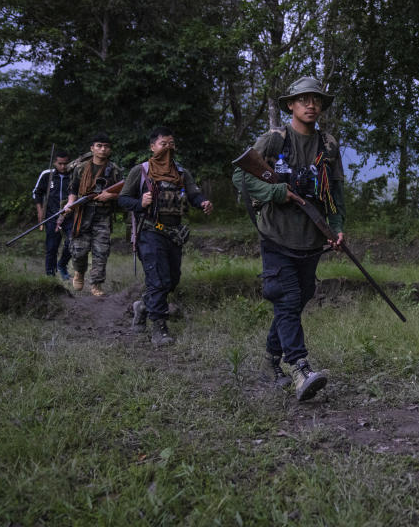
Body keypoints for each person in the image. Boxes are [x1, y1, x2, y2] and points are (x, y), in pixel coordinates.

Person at [233, 76, 345, 401]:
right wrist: (274, 191)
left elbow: (336, 191)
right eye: (303, 99)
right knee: (285, 297)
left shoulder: (329, 145)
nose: (311, 105)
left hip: (312, 239)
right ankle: (300, 368)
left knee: (298, 299)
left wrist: (337, 227)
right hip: (276, 237)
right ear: (291, 106)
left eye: (316, 100)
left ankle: (271, 357)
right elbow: (239, 175)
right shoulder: (274, 140)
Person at [118, 127, 213, 347]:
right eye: (163, 144)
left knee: (171, 280)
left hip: (174, 234)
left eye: (171, 144)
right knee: (158, 280)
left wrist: (203, 203)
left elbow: (193, 194)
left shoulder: (181, 172)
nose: (168, 148)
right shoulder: (140, 172)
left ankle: (142, 306)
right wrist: (140, 203)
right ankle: (159, 329)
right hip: (149, 232)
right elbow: (123, 200)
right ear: (153, 147)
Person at [60, 134, 122, 297]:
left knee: (101, 251)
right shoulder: (81, 168)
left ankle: (96, 284)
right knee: (79, 250)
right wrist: (69, 204)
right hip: (82, 213)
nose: (103, 149)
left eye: (106, 146)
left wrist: (110, 196)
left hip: (103, 215)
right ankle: (79, 272)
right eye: (99, 145)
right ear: (92, 148)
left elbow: (124, 192)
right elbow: (73, 190)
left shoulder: (114, 170)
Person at [32, 151, 73, 280]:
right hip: (51, 216)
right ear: (55, 162)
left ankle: (62, 265)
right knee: (51, 247)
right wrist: (40, 212)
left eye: (65, 163)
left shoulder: (74, 174)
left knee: (73, 242)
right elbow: (36, 193)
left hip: (70, 215)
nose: (63, 166)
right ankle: (50, 275)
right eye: (60, 164)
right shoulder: (47, 175)